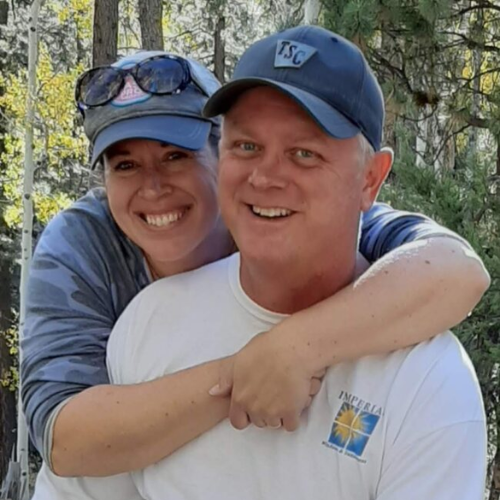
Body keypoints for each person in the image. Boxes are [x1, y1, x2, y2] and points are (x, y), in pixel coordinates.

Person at [24, 47, 487, 498]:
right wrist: (244, 373)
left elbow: (455, 270)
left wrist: (295, 347)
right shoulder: (94, 257)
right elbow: (65, 438)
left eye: (176, 155)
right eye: (248, 146)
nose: (153, 187)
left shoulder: (420, 366)